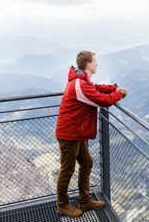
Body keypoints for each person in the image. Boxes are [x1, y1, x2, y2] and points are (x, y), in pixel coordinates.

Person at [55, 51, 128, 218]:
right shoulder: (79, 84)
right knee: (67, 170)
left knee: (86, 163)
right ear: (88, 65)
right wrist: (120, 94)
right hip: (68, 134)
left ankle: (84, 199)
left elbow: (96, 88)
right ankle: (62, 204)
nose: (97, 65)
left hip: (75, 132)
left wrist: (114, 88)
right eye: (95, 62)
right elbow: (102, 101)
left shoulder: (82, 81)